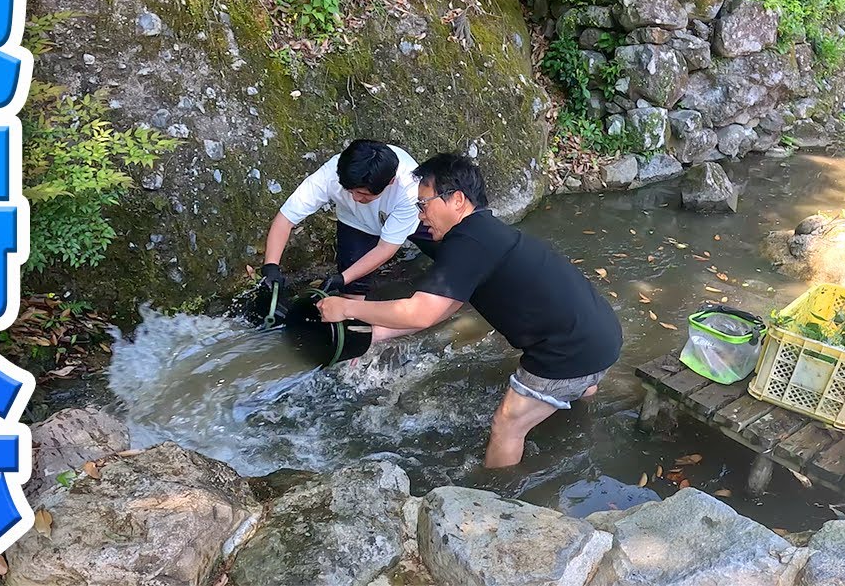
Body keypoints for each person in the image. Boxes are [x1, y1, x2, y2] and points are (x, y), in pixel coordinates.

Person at [316, 153, 622, 468]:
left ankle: (496, 500)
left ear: (458, 200)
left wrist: (346, 307)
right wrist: (370, 336)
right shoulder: (482, 232)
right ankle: (581, 415)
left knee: (506, 426)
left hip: (569, 353)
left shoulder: (467, 244)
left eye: (424, 204)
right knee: (576, 384)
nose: (420, 215)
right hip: (602, 334)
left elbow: (419, 311)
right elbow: (439, 309)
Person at [260, 139, 434, 299]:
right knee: (352, 294)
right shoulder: (331, 174)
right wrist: (271, 266)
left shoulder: (409, 188)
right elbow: (286, 218)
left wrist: (342, 278)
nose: (356, 199)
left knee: (452, 256)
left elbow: (385, 248)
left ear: (390, 182)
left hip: (417, 220)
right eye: (350, 191)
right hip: (356, 223)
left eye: (363, 194)